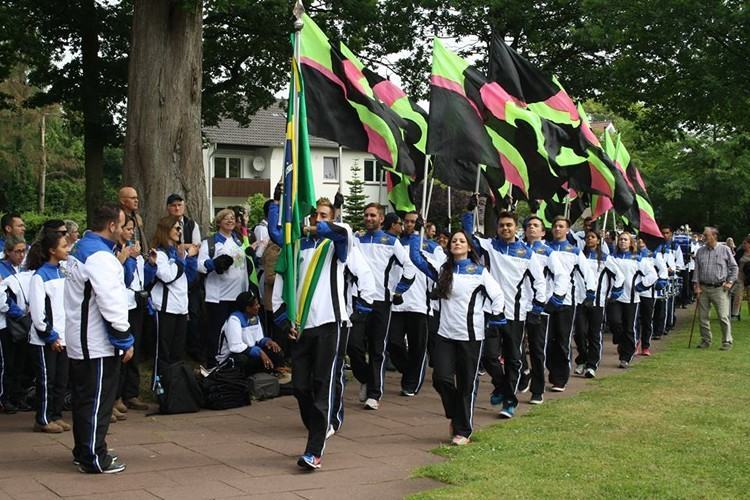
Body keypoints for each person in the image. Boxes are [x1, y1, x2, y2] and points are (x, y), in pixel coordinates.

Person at [269, 197, 350, 471]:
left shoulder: (336, 244)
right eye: (315, 214)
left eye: (325, 215)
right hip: (302, 328)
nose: (319, 218)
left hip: (330, 324)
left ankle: (314, 451)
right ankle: (317, 426)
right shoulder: (295, 248)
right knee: (300, 387)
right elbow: (280, 288)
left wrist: (322, 228)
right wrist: (284, 321)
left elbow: (343, 232)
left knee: (322, 384)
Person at [407, 230, 504, 445]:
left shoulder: (479, 271)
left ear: (469, 247)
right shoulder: (443, 270)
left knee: (467, 384)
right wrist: (415, 234)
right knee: (441, 378)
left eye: (462, 241)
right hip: (445, 335)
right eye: (454, 241)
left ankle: (463, 430)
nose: (457, 243)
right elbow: (416, 259)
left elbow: (497, 295)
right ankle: (456, 414)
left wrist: (493, 318)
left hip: (471, 336)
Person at [65, 203, 134, 474]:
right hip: (95, 341)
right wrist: (123, 338)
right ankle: (94, 456)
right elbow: (111, 300)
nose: (124, 229)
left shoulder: (82, 247)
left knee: (86, 399)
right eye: (122, 224)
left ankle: (84, 449)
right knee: (97, 401)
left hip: (81, 337)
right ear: (112, 226)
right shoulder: (100, 257)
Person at [462, 204, 545, 419]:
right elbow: (467, 236)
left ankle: (509, 401)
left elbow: (539, 282)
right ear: (497, 228)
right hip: (490, 311)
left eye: (509, 225)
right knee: (489, 357)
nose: (505, 228)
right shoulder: (489, 246)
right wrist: (469, 212)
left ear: (516, 228)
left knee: (513, 358)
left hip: (515, 314)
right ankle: (501, 387)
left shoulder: (527, 253)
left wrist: (537, 307)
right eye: (501, 225)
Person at [351, 203, 415, 410]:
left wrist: (399, 291)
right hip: (358, 300)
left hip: (381, 301)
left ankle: (374, 394)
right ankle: (365, 378)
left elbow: (409, 267)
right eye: (366, 215)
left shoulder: (391, 242)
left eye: (373, 215)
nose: (368, 218)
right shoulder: (356, 240)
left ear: (380, 219)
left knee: (378, 348)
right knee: (353, 346)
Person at [388, 211, 445, 398]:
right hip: (397, 302)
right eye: (407, 221)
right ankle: (410, 370)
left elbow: (440, 270)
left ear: (422, 224)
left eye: (414, 222)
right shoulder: (396, 243)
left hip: (420, 304)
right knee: (393, 343)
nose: (410, 224)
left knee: (417, 346)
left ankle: (411, 383)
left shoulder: (432, 247)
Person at [26, 230, 70, 433]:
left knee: (61, 380)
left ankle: (55, 414)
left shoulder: (63, 271)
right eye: (63, 246)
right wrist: (50, 336)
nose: (67, 249)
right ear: (52, 250)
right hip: (46, 340)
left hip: (64, 336)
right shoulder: (40, 276)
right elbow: (37, 313)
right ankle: (42, 418)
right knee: (47, 380)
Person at [545, 216, 595, 391]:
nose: (557, 229)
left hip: (567, 302)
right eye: (555, 226)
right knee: (548, 341)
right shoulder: (545, 249)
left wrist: (590, 293)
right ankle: (552, 372)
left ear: (567, 230)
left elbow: (588, 273)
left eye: (561, 226)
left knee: (562, 340)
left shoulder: (574, 251)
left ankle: (561, 378)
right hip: (546, 302)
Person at [147, 215, 199, 385]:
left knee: (177, 352)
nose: (179, 231)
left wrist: (189, 258)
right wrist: (181, 259)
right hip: (164, 309)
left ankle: (175, 388)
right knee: (163, 351)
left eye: (180, 228)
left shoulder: (178, 252)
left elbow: (189, 278)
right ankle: (159, 386)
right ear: (166, 229)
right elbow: (167, 276)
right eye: (176, 228)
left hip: (181, 308)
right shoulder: (159, 253)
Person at [197, 209, 249, 368]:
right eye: (226, 218)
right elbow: (200, 264)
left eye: (232, 218)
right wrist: (213, 264)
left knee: (234, 330)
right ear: (219, 222)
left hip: (238, 294)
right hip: (219, 296)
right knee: (216, 330)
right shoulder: (211, 242)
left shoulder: (238, 241)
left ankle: (231, 361)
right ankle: (212, 362)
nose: (230, 220)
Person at [573, 230, 624, 378]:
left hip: (597, 301)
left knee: (594, 334)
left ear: (598, 240)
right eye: (587, 237)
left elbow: (619, 276)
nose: (589, 240)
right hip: (579, 300)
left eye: (592, 237)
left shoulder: (605, 259)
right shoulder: (579, 257)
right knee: (580, 332)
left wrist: (615, 292)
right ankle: (582, 358)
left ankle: (591, 365)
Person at [115, 217, 150, 412]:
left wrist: (147, 264)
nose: (130, 232)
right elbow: (125, 278)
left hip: (137, 303)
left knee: (134, 349)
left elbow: (143, 279)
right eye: (127, 229)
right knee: (122, 351)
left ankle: (131, 393)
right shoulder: (118, 251)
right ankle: (117, 396)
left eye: (132, 229)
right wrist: (129, 259)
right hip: (122, 305)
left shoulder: (134, 250)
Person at [608, 232, 658, 368]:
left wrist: (640, 286)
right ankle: (620, 341)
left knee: (629, 328)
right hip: (615, 297)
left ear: (631, 243)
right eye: (620, 239)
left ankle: (626, 356)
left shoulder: (638, 258)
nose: (622, 242)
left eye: (625, 240)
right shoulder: (612, 257)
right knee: (614, 322)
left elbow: (652, 274)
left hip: (631, 298)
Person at [166, 193, 203, 362]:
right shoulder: (164, 224)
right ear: (168, 208)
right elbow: (165, 243)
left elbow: (197, 245)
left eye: (180, 205)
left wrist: (182, 247)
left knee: (193, 313)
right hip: (171, 272)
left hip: (190, 272)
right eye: (173, 205)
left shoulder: (191, 224)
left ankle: (194, 349)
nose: (177, 208)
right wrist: (184, 247)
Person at [0, 236, 33, 413]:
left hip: (21, 323)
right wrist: (18, 313)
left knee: (20, 362)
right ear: (8, 252)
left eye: (23, 251)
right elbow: (3, 299)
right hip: (7, 323)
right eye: (17, 251)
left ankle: (18, 396)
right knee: (8, 363)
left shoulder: (22, 268)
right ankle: (5, 398)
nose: (21, 255)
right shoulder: (2, 268)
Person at [692, 226, 738, 350]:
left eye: (706, 235)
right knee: (703, 317)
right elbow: (697, 270)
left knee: (723, 316)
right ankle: (706, 340)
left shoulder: (725, 250)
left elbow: (734, 267)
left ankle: (727, 341)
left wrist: (730, 282)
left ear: (714, 236)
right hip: (703, 288)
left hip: (719, 288)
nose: (704, 237)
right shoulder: (700, 251)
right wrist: (696, 286)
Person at [215, 290, 283, 373]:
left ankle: (270, 374)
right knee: (242, 359)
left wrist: (268, 341)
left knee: (275, 350)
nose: (259, 306)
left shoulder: (254, 317)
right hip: (229, 358)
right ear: (247, 308)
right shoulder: (234, 320)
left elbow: (259, 339)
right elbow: (235, 347)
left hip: (251, 352)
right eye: (256, 304)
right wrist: (259, 352)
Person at [636, 237, 668, 355]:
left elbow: (663, 270)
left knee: (647, 319)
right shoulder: (632, 255)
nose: (640, 242)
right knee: (635, 319)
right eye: (638, 240)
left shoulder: (654, 255)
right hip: (633, 293)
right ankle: (634, 343)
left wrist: (662, 281)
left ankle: (645, 346)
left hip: (649, 293)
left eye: (642, 240)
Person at [119, 186, 149, 255]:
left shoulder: (138, 218)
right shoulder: (118, 218)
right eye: (132, 198)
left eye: (136, 198)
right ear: (122, 201)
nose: (136, 200)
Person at [731, 236, 750, 319]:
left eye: (745, 243)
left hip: (749, 276)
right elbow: (733, 263)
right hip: (740, 275)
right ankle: (735, 314)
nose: (743, 245)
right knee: (738, 295)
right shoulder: (740, 252)